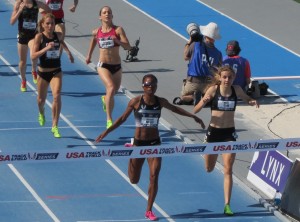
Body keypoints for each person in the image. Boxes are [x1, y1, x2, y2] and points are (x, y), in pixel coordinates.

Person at [95, 74, 205, 221]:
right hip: (139, 144)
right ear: (143, 86)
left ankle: (149, 210)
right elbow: (122, 119)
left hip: (154, 144)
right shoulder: (135, 102)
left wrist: (193, 117)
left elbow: (175, 109)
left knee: (154, 177)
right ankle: (131, 153)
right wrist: (106, 132)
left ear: (156, 86)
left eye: (153, 85)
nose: (150, 87)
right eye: (147, 85)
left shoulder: (160, 102)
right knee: (134, 180)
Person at [193, 66, 259, 216]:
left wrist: (252, 101)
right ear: (220, 77)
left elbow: (247, 99)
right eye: (224, 77)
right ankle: (207, 148)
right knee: (209, 168)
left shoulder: (236, 89)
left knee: (228, 169)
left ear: (233, 78)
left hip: (229, 133)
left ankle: (227, 205)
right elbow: (195, 110)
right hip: (213, 133)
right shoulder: (213, 90)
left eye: (229, 77)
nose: (227, 80)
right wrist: (204, 100)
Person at [86, 6, 132, 129]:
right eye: (104, 12)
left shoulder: (118, 30)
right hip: (103, 65)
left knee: (113, 92)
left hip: (116, 66)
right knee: (111, 88)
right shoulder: (96, 32)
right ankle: (109, 119)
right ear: (100, 16)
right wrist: (89, 55)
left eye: (109, 12)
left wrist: (118, 41)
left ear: (112, 16)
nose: (107, 14)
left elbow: (128, 47)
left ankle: (105, 98)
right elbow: (93, 42)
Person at [31, 13, 74, 138]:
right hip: (43, 72)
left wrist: (68, 52)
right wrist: (46, 49)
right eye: (48, 24)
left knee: (57, 96)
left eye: (52, 23)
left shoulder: (58, 35)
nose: (50, 26)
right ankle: (41, 112)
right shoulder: (39, 37)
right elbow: (33, 56)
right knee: (41, 100)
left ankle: (55, 125)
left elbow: (62, 42)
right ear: (43, 25)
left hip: (56, 70)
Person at [10, 0, 51, 92]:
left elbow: (49, 11)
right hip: (22, 36)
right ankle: (23, 80)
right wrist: (20, 11)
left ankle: (34, 70)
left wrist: (43, 23)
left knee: (34, 54)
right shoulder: (19, 3)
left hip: (33, 36)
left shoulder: (37, 4)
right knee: (22, 62)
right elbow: (12, 22)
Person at [179, 22, 223, 105]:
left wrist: (190, 41)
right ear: (215, 38)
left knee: (183, 97)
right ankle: (205, 96)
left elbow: (185, 57)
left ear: (205, 34)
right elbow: (219, 70)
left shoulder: (195, 45)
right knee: (210, 94)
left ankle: (193, 97)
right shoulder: (218, 53)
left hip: (193, 81)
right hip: (208, 83)